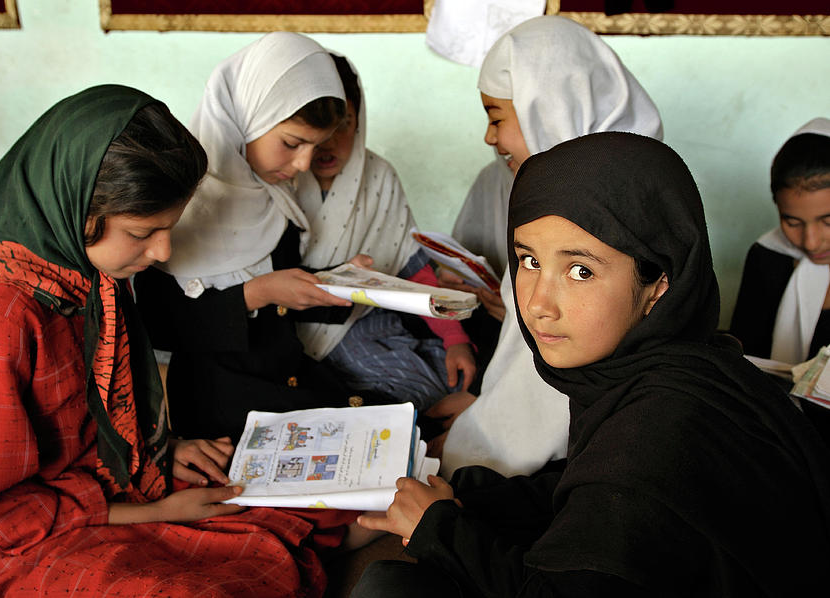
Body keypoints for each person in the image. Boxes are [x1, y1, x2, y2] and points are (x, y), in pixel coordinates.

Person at [351, 132, 830, 597]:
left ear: (659, 284)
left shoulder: (658, 429)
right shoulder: (673, 370)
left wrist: (437, 530)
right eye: (529, 261)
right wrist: (468, 494)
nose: (539, 303)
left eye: (580, 271)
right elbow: (584, 486)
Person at [0, 84, 358, 597]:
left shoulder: (89, 273)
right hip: (32, 537)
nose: (162, 251)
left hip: (116, 485)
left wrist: (159, 452)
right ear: (76, 208)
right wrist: (153, 510)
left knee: (314, 493)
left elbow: (98, 419)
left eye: (169, 228)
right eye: (142, 233)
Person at [429, 15, 664, 477]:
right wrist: (482, 410)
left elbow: (556, 395)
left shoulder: (610, 198)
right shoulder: (570, 185)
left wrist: (468, 442)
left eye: (497, 117)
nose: (489, 137)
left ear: (548, 105)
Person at [134, 32, 361, 442]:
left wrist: (339, 282)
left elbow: (281, 290)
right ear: (247, 115)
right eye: (292, 143)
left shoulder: (272, 195)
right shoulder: (181, 198)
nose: (305, 163)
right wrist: (254, 294)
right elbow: (158, 323)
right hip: (218, 412)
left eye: (316, 146)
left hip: (284, 384)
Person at [295, 53, 475, 411]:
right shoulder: (283, 179)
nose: (329, 143)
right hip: (304, 329)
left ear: (359, 121)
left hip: (375, 317)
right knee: (411, 389)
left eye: (344, 124)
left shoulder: (378, 176)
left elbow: (412, 266)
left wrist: (455, 339)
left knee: (457, 368)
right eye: (321, 129)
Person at [729, 117, 830, 445]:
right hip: (782, 438)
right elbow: (749, 357)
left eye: (829, 221)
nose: (812, 241)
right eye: (792, 221)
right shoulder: (768, 257)